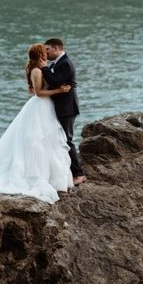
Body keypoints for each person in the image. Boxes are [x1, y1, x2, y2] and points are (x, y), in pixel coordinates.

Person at [0, 43, 73, 204]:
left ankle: (52, 177)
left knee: (48, 142)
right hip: (41, 106)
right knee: (36, 140)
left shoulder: (41, 68)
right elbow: (39, 93)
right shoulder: (37, 71)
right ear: (40, 55)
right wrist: (59, 91)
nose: (47, 54)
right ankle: (38, 176)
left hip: (47, 107)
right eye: (44, 52)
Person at [42, 38, 86, 185]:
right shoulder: (59, 62)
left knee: (67, 140)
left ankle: (78, 174)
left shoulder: (65, 63)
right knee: (61, 139)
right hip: (63, 106)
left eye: (47, 49)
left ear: (55, 48)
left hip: (67, 108)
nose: (45, 53)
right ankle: (64, 171)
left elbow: (55, 81)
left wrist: (43, 68)